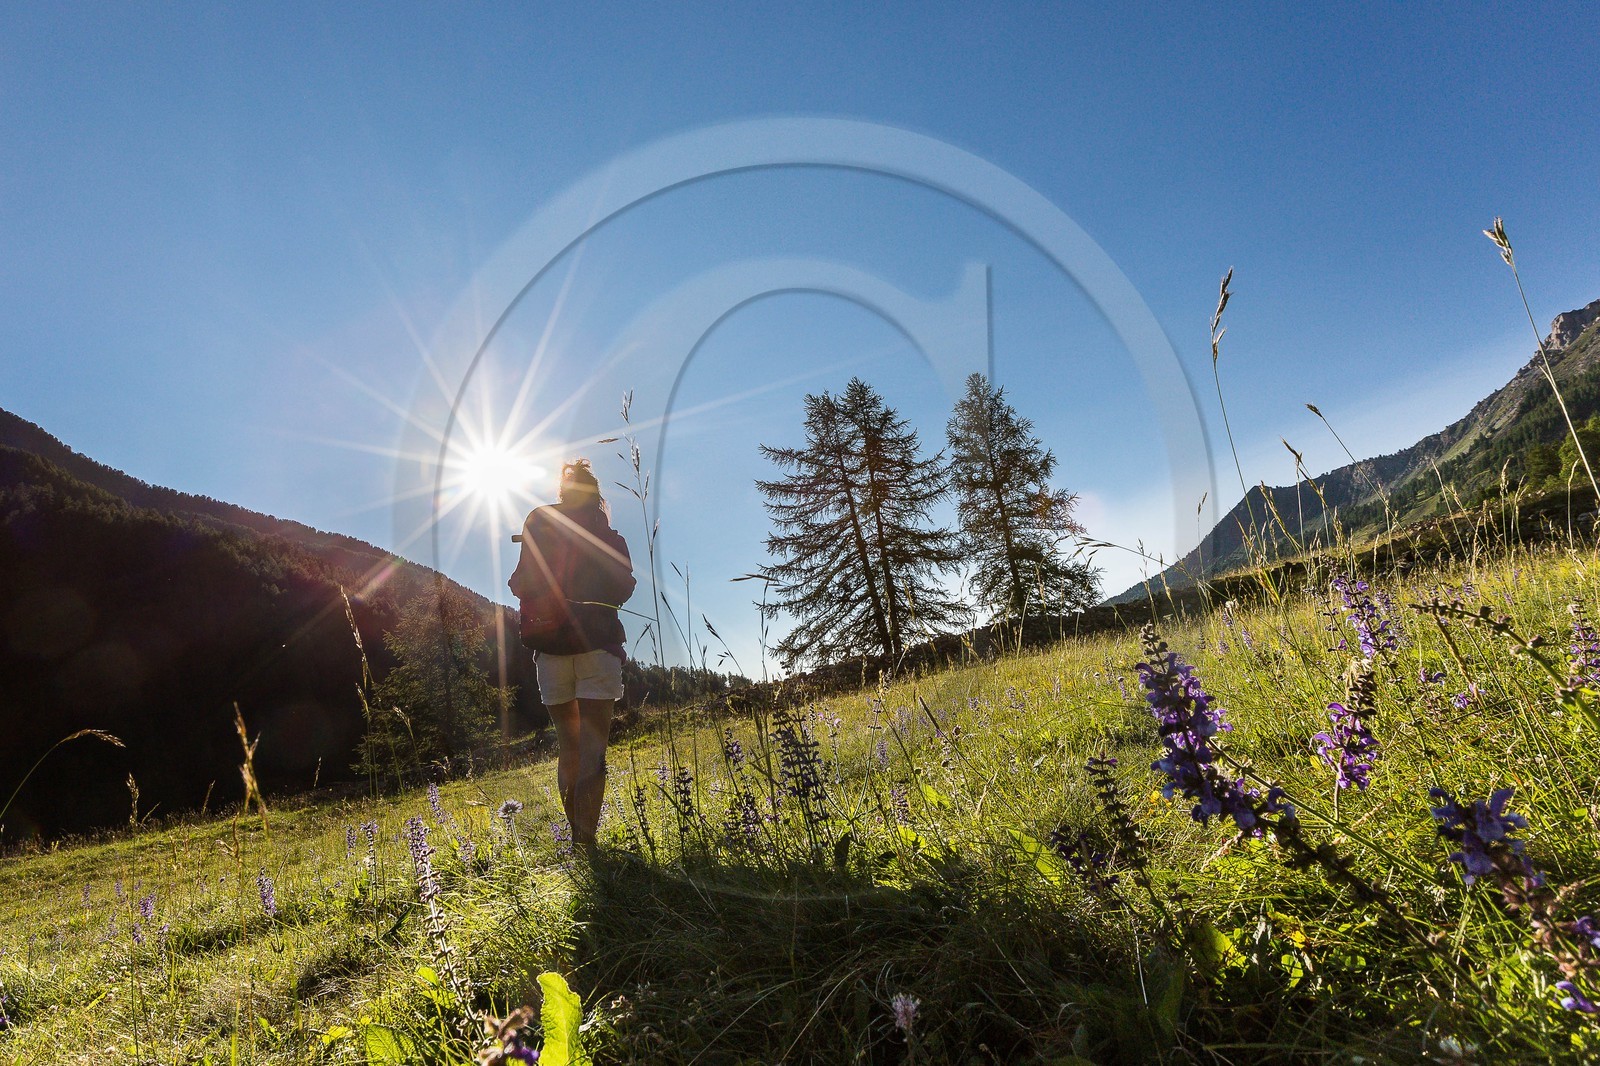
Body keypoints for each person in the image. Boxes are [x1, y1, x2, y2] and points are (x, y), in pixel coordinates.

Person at [508, 459, 635, 851]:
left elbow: (518, 583)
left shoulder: (538, 522)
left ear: (563, 492)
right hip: (598, 648)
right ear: (596, 496)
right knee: (593, 750)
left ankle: (578, 844)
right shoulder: (609, 536)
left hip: (551, 651)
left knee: (569, 746)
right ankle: (586, 842)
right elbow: (624, 588)